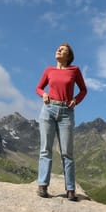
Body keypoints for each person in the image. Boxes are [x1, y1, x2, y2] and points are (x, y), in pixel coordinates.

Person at [35, 43, 87, 201]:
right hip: (48, 109)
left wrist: (76, 100)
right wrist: (43, 94)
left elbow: (83, 90)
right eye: (58, 48)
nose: (58, 50)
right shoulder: (49, 70)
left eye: (63, 49)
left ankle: (70, 190)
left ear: (69, 56)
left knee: (67, 153)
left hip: (66, 112)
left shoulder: (75, 70)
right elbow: (38, 88)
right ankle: (43, 186)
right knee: (45, 149)